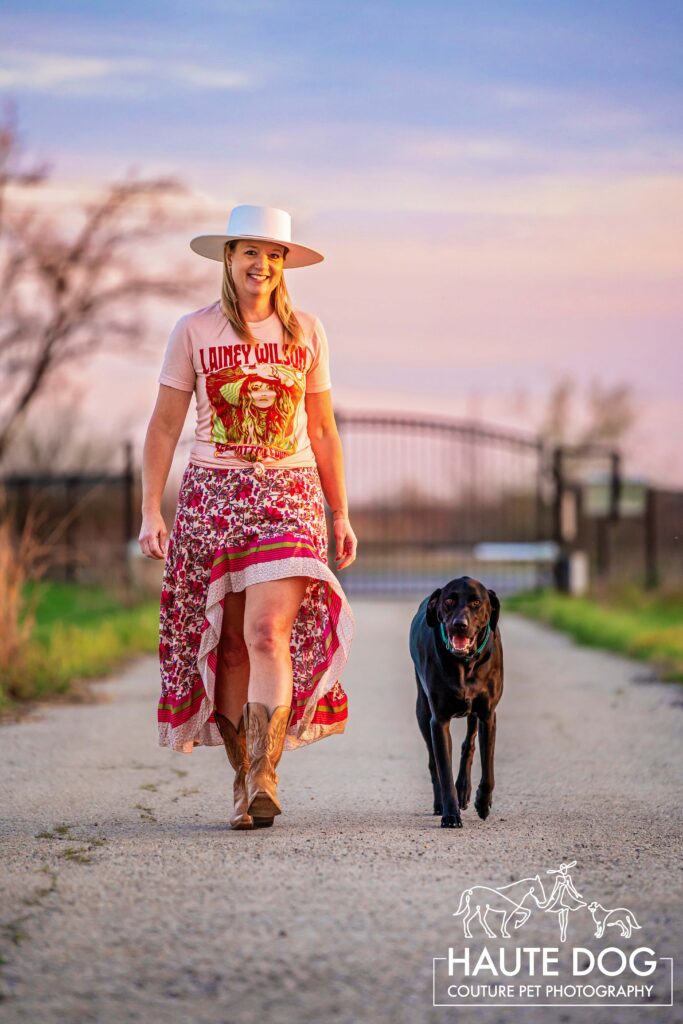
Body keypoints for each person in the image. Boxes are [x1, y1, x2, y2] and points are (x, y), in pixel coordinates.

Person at [139, 204, 357, 831]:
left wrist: (338, 511)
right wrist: (151, 507)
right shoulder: (194, 331)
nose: (263, 264)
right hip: (212, 498)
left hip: (287, 494)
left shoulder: (306, 332)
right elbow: (163, 424)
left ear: (285, 265)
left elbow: (321, 427)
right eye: (250, 253)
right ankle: (243, 779)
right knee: (230, 646)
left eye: (275, 254)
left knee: (266, 634)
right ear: (228, 260)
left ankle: (264, 775)